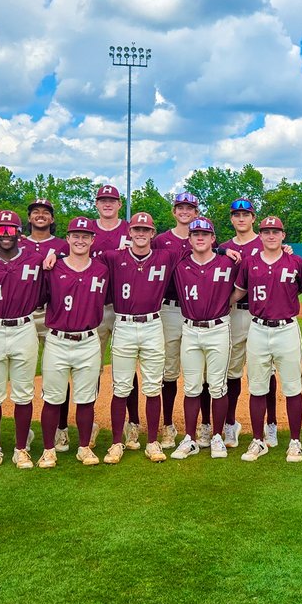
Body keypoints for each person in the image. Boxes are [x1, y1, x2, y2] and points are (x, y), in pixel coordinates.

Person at [233, 216, 302, 462]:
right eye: (266, 231)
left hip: (287, 329)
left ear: (283, 235)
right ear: (260, 235)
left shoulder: (295, 262)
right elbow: (237, 293)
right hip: (257, 328)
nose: (271, 235)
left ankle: (295, 441)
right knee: (257, 387)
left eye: (275, 231)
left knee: (293, 387)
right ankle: (258, 440)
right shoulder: (249, 263)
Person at [0, 211, 47, 471]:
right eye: (1, 230)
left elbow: (45, 292)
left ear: (19, 232)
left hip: (24, 326)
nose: (5, 235)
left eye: (10, 229)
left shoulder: (35, 259)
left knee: (23, 392)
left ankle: (21, 449)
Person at [102, 212, 180, 463]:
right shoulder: (114, 257)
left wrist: (224, 253)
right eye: (136, 229)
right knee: (121, 387)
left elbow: (201, 250)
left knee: (152, 386)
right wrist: (55, 256)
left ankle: (153, 442)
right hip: (123, 324)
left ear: (153, 233)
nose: (141, 233)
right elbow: (82, 258)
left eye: (145, 230)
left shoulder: (165, 256)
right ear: (129, 232)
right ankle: (116, 443)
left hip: (152, 325)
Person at [40, 217, 108, 469]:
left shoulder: (101, 269)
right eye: (75, 235)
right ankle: (49, 449)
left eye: (85, 236)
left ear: (92, 240)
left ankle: (83, 447)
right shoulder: (52, 267)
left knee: (86, 398)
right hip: (57, 339)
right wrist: (52, 254)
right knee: (52, 398)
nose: (80, 240)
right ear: (67, 239)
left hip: (88, 339)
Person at [171, 217, 240, 460]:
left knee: (218, 386)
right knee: (191, 387)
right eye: (195, 234)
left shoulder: (228, 262)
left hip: (219, 328)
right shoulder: (179, 264)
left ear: (213, 238)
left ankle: (218, 436)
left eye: (205, 234)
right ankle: (190, 438)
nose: (200, 237)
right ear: (189, 239)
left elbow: (246, 281)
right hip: (190, 329)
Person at [219, 198, 276, 448]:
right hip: (232, 313)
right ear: (231, 219)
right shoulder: (223, 246)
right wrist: (220, 251)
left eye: (246, 214)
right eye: (236, 214)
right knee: (231, 372)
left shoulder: (265, 242)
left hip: (259, 314)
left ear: (254, 218)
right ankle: (230, 424)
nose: (241, 218)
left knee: (266, 372)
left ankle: (270, 424)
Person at [90, 184, 140, 448]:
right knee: (91, 369)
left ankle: (133, 423)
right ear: (96, 204)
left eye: (112, 200)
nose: (107, 204)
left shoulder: (130, 230)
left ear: (120, 204)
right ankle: (91, 423)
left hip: (123, 307)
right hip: (94, 307)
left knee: (127, 368)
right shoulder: (88, 230)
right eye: (103, 200)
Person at [23, 198, 72, 452]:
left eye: (45, 212)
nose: (40, 215)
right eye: (35, 212)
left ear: (52, 219)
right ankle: (26, 430)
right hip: (25, 313)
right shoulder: (19, 244)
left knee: (59, 372)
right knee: (23, 374)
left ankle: (61, 429)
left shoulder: (63, 245)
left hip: (53, 313)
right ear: (29, 217)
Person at [153, 192, 200, 448]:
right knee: (168, 371)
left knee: (199, 370)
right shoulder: (161, 240)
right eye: (180, 207)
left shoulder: (202, 237)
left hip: (197, 309)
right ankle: (168, 425)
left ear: (196, 212)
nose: (184, 211)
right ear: (174, 211)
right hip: (169, 309)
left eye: (189, 208)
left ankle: (204, 426)